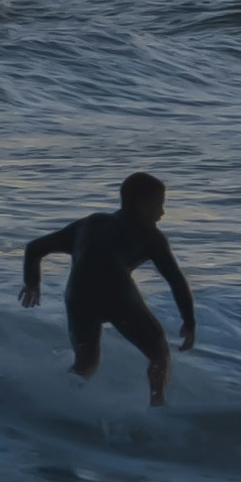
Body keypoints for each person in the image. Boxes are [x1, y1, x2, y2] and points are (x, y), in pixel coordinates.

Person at [22, 172, 198, 405]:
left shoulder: (90, 223)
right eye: (159, 205)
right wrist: (189, 322)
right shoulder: (150, 236)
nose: (162, 214)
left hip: (79, 297)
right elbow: (175, 280)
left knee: (86, 363)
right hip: (117, 295)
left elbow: (34, 248)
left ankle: (58, 400)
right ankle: (158, 404)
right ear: (143, 204)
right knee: (158, 352)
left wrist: (32, 283)